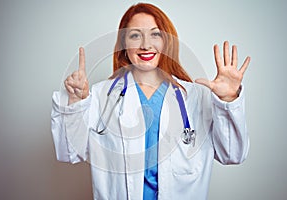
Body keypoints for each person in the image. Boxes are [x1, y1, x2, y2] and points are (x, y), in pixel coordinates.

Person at [51, 3, 250, 200]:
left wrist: (228, 100)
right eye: (135, 35)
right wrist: (76, 102)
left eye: (155, 34)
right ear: (124, 44)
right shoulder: (101, 95)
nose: (145, 44)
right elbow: (69, 153)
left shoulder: (197, 97)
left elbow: (232, 154)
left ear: (166, 42)